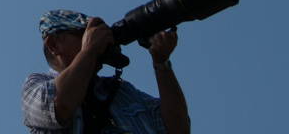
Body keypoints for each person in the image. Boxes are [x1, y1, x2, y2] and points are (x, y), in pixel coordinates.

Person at [23, 9, 189, 134]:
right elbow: (60, 105)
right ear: (53, 45)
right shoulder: (36, 85)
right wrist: (89, 50)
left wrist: (161, 62)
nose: (95, 39)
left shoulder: (123, 92)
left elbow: (177, 128)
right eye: (83, 34)